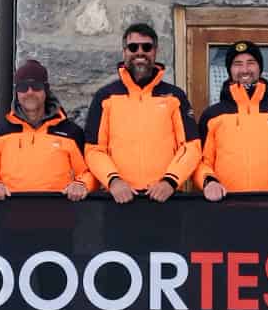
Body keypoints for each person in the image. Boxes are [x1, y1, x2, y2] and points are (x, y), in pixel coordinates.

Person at [83, 23, 201, 203]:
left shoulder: (174, 97)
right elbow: (94, 149)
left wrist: (170, 181)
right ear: (124, 52)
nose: (140, 52)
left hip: (166, 199)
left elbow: (191, 146)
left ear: (155, 51)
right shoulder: (105, 97)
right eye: (133, 47)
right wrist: (113, 181)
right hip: (118, 200)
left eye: (146, 47)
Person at [194, 40, 268, 201]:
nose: (245, 70)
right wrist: (208, 181)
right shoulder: (213, 115)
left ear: (259, 68)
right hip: (224, 207)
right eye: (237, 64)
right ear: (229, 69)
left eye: (251, 63)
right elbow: (201, 161)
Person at [0, 60, 97, 199]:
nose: (29, 92)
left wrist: (82, 184)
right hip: (11, 216)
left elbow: (90, 173)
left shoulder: (71, 132)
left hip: (60, 215)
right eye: (23, 87)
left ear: (46, 89)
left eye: (36, 86)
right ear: (17, 92)